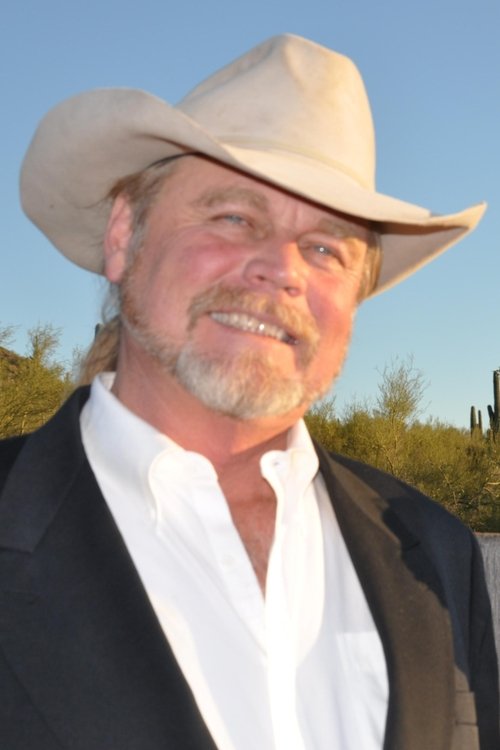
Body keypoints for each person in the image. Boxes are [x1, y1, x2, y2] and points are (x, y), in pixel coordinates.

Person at [0, 34, 497, 750]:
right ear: (123, 235)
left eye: (325, 248)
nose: (282, 270)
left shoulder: (438, 556)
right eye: (234, 217)